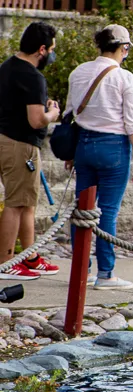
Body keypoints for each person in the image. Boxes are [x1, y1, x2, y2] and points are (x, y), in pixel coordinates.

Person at [65, 25, 133, 289]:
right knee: (108, 212)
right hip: (113, 147)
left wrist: (71, 152)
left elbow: (70, 115)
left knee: (82, 209)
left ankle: (81, 270)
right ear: (124, 48)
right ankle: (106, 274)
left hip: (83, 145)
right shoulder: (125, 78)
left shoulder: (78, 72)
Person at [0, 22, 63, 279]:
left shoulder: (6, 67)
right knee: (16, 204)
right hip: (21, 145)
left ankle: (30, 255)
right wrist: (53, 113)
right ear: (41, 49)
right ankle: (6, 261)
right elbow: (36, 120)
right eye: (52, 49)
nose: (52, 54)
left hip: (7, 139)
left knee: (27, 203)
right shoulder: (32, 76)